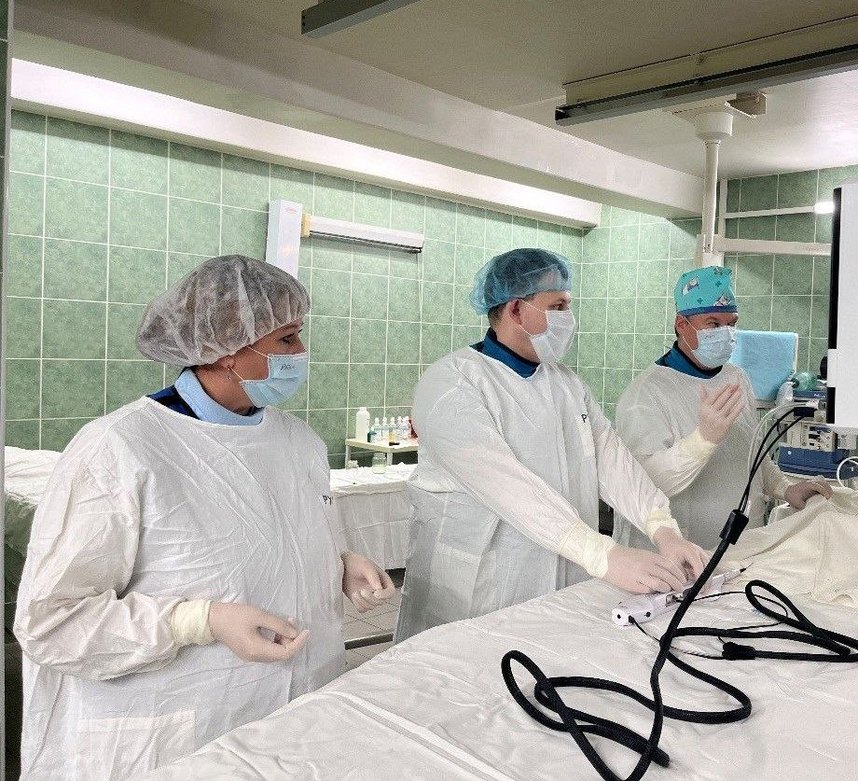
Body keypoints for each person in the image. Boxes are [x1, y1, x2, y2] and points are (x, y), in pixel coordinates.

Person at [14, 255, 394, 780]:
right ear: (227, 350)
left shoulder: (297, 441)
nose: (301, 353)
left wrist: (339, 562)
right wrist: (200, 621)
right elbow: (53, 622)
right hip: (183, 723)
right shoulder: (120, 448)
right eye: (286, 339)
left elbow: (271, 541)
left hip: (300, 707)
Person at [395, 248, 708, 642]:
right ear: (515, 309)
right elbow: (505, 485)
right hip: (479, 583)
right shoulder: (453, 384)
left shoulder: (566, 383)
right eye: (557, 306)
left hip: (563, 569)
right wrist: (602, 554)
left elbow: (612, 461)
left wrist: (662, 527)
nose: (568, 318)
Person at [613, 265, 831, 551]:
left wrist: (785, 488)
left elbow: (751, 453)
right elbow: (642, 486)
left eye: (731, 323)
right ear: (682, 324)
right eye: (713, 324)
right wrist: (702, 441)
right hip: (677, 555)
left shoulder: (736, 377)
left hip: (740, 549)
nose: (725, 333)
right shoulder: (645, 395)